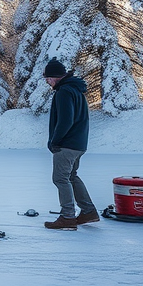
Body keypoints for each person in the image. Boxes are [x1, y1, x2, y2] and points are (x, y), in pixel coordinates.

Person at [42, 58, 97, 230]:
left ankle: (67, 217)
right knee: (71, 177)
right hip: (78, 144)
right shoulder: (76, 90)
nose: (47, 81)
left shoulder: (64, 92)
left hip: (66, 145)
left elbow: (66, 120)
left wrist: (54, 141)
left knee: (60, 178)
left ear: (56, 77)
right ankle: (88, 211)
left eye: (48, 78)